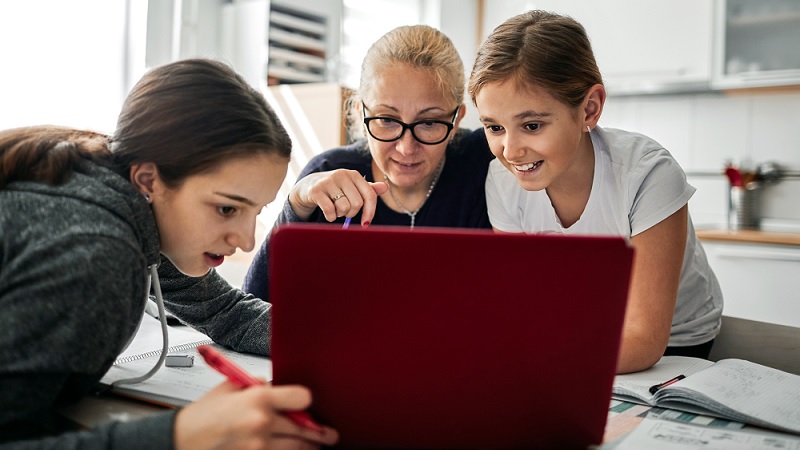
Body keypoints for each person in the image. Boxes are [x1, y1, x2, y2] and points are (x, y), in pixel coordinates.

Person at [0, 59, 338, 449]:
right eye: (227, 209)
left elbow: (223, 311)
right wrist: (184, 435)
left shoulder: (129, 203)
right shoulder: (96, 251)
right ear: (149, 180)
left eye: (255, 212)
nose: (246, 241)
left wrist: (340, 339)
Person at [467, 10, 723, 374]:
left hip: (675, 343)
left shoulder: (647, 174)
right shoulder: (503, 180)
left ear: (589, 108)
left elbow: (645, 338)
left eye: (532, 125)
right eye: (494, 127)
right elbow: (522, 300)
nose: (510, 150)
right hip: (583, 329)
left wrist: (535, 361)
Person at [243, 25, 494, 299]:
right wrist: (295, 208)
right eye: (386, 120)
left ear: (456, 119)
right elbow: (254, 303)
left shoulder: (484, 158)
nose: (406, 148)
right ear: (362, 112)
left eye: (430, 122)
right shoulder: (327, 177)